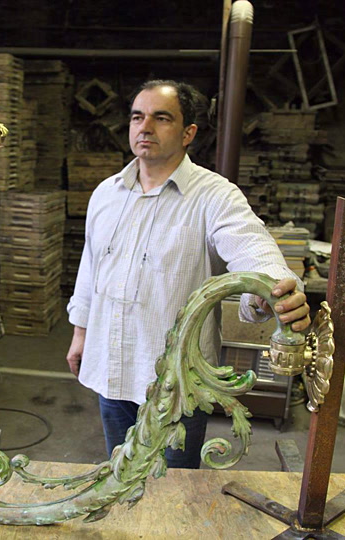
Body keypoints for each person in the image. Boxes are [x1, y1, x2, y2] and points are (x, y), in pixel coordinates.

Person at [65, 80, 310, 469]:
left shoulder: (214, 196)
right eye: (137, 117)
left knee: (174, 487)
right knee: (120, 474)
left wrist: (272, 287)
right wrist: (80, 333)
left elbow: (251, 245)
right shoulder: (106, 194)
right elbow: (91, 269)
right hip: (110, 366)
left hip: (177, 381)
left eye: (161, 118)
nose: (145, 127)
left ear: (188, 133)